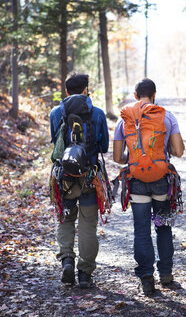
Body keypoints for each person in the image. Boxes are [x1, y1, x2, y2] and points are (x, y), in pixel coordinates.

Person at [113, 78, 185, 294]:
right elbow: (179, 151)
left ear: (135, 96)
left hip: (136, 182)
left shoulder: (124, 119)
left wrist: (136, 158)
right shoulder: (166, 116)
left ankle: (146, 277)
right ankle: (165, 274)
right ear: (154, 94)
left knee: (141, 230)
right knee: (163, 227)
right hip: (162, 181)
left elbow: (117, 157)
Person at [49, 73, 109, 287]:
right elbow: (103, 147)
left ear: (66, 91)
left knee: (65, 218)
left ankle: (66, 261)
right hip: (90, 177)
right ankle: (84, 274)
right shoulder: (98, 114)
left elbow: (54, 142)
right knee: (87, 225)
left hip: (63, 177)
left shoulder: (56, 113)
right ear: (86, 89)